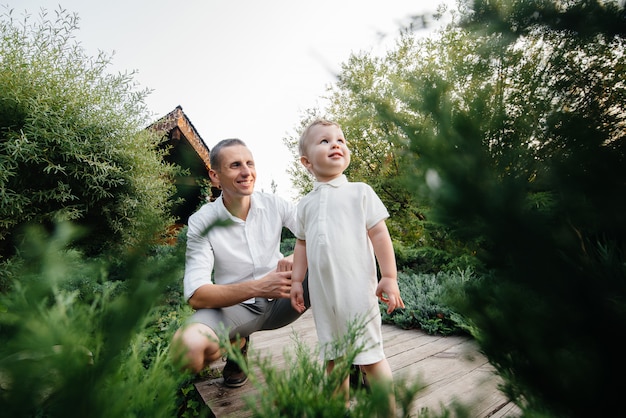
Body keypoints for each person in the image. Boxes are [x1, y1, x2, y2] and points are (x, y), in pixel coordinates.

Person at [172, 138, 309, 388]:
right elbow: (197, 295)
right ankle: (238, 346)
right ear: (215, 176)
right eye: (235, 165)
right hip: (237, 308)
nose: (246, 172)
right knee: (186, 350)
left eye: (250, 163)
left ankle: (359, 357)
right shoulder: (202, 222)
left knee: (332, 261)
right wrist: (259, 287)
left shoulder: (274, 204)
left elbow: (319, 235)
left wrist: (295, 257)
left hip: (288, 296)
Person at [290, 119, 404, 413]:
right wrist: (295, 282)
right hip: (325, 297)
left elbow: (379, 234)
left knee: (370, 357)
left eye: (340, 140)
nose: (336, 144)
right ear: (306, 162)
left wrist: (389, 276)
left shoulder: (360, 192)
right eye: (325, 141)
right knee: (333, 358)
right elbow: (301, 245)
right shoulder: (305, 205)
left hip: (357, 292)